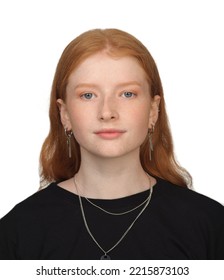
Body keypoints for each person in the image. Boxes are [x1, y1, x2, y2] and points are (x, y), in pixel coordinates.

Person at [0, 29, 223, 260]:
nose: (107, 112)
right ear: (64, 114)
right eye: (88, 95)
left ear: (153, 111)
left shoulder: (210, 224)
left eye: (127, 94)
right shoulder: (19, 230)